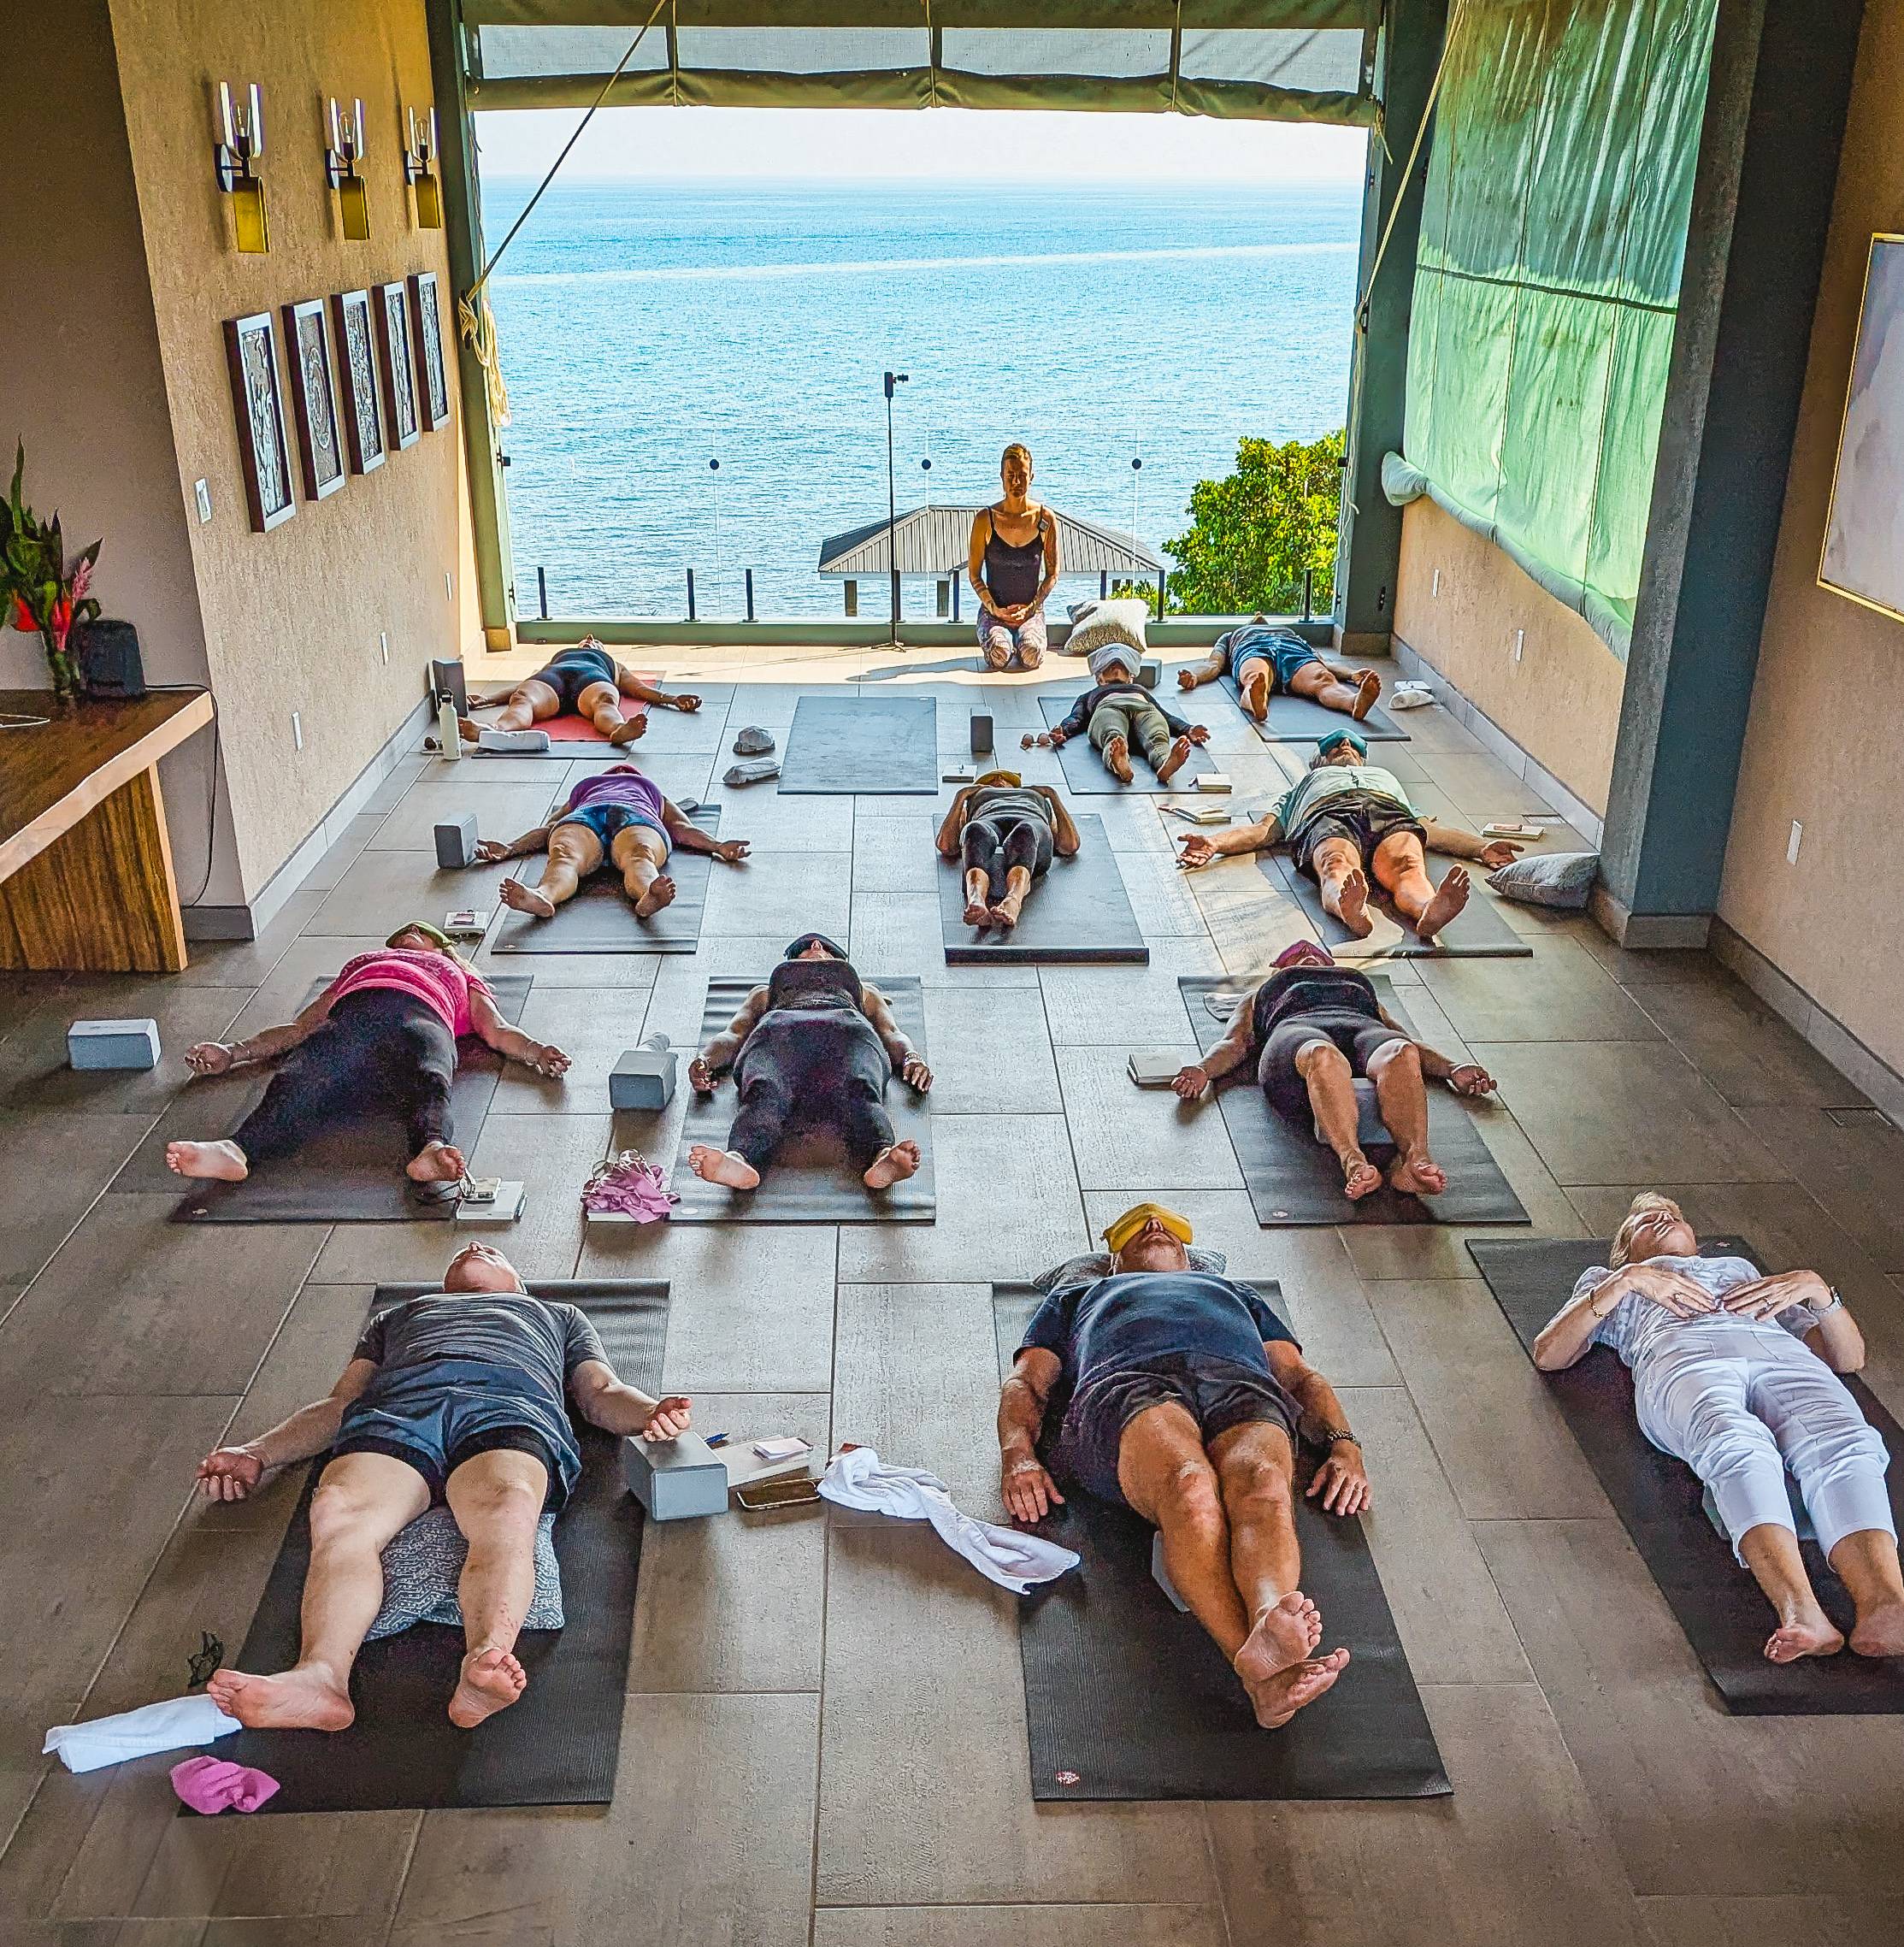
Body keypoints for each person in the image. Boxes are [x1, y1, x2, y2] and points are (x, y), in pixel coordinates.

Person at [194, 1242, 693, 1732]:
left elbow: (599, 1394)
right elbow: (338, 1405)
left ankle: (485, 1662)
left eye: (493, 1252)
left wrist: (650, 1413)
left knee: (510, 1506)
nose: (475, 1244)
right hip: (395, 1416)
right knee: (338, 1511)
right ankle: (320, 1679)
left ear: (520, 1285)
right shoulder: (398, 1317)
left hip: (505, 1411)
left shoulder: (555, 1315)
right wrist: (257, 1452)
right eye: (465, 1252)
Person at [999, 1202, 1365, 1727]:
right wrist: (1019, 1456)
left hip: (1241, 1385)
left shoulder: (1235, 1291)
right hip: (1128, 1384)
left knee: (1264, 1485)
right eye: (1137, 1226)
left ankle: (1268, 1621)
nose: (1155, 1226)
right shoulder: (1078, 1293)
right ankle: (1256, 1669)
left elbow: (1302, 1378)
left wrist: (1345, 1445)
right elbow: (1026, 1383)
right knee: (1189, 1485)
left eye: (1170, 1226)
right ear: (1112, 1260)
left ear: (1191, 1256)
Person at [1534, 1194, 1904, 1666]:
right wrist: (1626, 1282)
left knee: (1846, 1443)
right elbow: (1550, 1353)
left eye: (1672, 1212)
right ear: (1624, 1250)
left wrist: (1816, 1288)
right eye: (1644, 1218)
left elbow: (1848, 1359)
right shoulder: (1613, 1282)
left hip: (1784, 1359)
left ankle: (1887, 1604)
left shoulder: (1741, 1270)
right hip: (1684, 1360)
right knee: (1736, 1444)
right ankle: (1801, 1612)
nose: (1662, 1215)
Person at [166, 925, 569, 1193]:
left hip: (422, 1019)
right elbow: (299, 1029)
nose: (410, 934)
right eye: (400, 935)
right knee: (301, 1075)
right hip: (354, 1017)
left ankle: (430, 1148)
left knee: (430, 1078)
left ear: (441, 949)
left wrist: (536, 1052)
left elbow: (495, 1030)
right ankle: (238, 1150)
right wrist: (233, 1052)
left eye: (421, 932)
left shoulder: (456, 972)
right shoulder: (363, 964)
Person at [1172, 941, 1496, 1199]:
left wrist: (1453, 1068)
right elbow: (1235, 1043)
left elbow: (1405, 1038)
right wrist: (1202, 1070)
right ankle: (1353, 1161)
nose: (1307, 954)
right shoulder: (1263, 993)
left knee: (1401, 1052)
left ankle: (1414, 1162)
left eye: (1315, 953)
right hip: (1297, 1031)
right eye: (1296, 955)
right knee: (1323, 1056)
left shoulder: (1356, 984)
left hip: (1363, 1029)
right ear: (1279, 969)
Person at [1175, 726, 1522, 941]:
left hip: (1388, 812)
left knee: (1407, 863)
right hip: (1328, 814)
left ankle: (1427, 910)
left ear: (1363, 756)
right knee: (1336, 863)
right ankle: (1350, 912)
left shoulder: (1385, 777)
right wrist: (1215, 842)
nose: (1343, 744)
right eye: (1333, 746)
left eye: (1351, 744)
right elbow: (1265, 830)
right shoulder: (1306, 783)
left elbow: (1429, 829)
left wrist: (1482, 847)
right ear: (1320, 761)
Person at [687, 933, 932, 1194]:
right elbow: (733, 1034)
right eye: (805, 946)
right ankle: (738, 1159)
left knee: (860, 1087)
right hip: (779, 1037)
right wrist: (706, 1060)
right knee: (764, 1091)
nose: (816, 946)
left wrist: (911, 1057)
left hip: (846, 1036)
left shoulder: (863, 991)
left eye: (826, 947)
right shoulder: (765, 993)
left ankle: (883, 1156)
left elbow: (890, 1032)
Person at [475, 764, 751, 922]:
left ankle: (648, 896)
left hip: (630, 815)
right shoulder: (587, 787)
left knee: (626, 855)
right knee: (568, 853)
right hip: (595, 815)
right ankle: (542, 897)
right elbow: (548, 829)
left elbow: (681, 828)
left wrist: (718, 846)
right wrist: (510, 848)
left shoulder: (651, 790)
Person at [461, 636, 701, 749]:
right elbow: (523, 685)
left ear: (601, 648)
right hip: (552, 679)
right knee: (523, 699)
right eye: (586, 640)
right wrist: (487, 699)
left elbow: (638, 688)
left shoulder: (612, 663)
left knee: (605, 701)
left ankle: (618, 730)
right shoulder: (559, 657)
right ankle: (496, 731)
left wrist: (672, 699)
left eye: (595, 640)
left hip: (591, 680)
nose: (589, 639)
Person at [1023, 643, 1211, 785]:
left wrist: (1188, 729)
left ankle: (1165, 765)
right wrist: (1063, 730)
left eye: (1121, 667)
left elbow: (1165, 716)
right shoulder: (1090, 695)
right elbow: (1077, 718)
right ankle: (1120, 764)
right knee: (1112, 736)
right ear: (1100, 677)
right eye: (1110, 667)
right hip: (1108, 708)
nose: (1116, 669)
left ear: (1131, 676)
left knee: (1158, 736)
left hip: (1144, 709)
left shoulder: (1141, 690)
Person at [935, 768, 1082, 929]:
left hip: (1030, 821)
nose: (998, 780)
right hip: (987, 821)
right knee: (974, 830)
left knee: (1026, 831)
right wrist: (961, 797)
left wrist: (1052, 795)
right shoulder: (975, 799)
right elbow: (947, 846)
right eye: (990, 780)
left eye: (1005, 778)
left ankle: (1013, 900)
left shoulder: (1035, 796)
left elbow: (1069, 846)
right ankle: (976, 900)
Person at [1177, 617, 1382, 723]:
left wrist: (1352, 674)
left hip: (1291, 649)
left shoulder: (1290, 632)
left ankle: (1353, 702)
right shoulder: (1232, 635)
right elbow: (1214, 664)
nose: (1259, 616)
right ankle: (1258, 704)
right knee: (1255, 678)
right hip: (1252, 647)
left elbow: (1323, 662)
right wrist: (1194, 676)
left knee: (1322, 677)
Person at [967, 444, 1058, 672]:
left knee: (1031, 655)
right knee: (999, 655)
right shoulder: (985, 519)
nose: (1016, 482)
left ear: (1031, 477)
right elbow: (975, 574)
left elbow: (1052, 573)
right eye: (1011, 476)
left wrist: (1032, 608)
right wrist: (994, 608)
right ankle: (1007, 641)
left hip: (1030, 612)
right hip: (994, 613)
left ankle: (1022, 640)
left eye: (1022, 476)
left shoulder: (1044, 519)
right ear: (1002, 477)